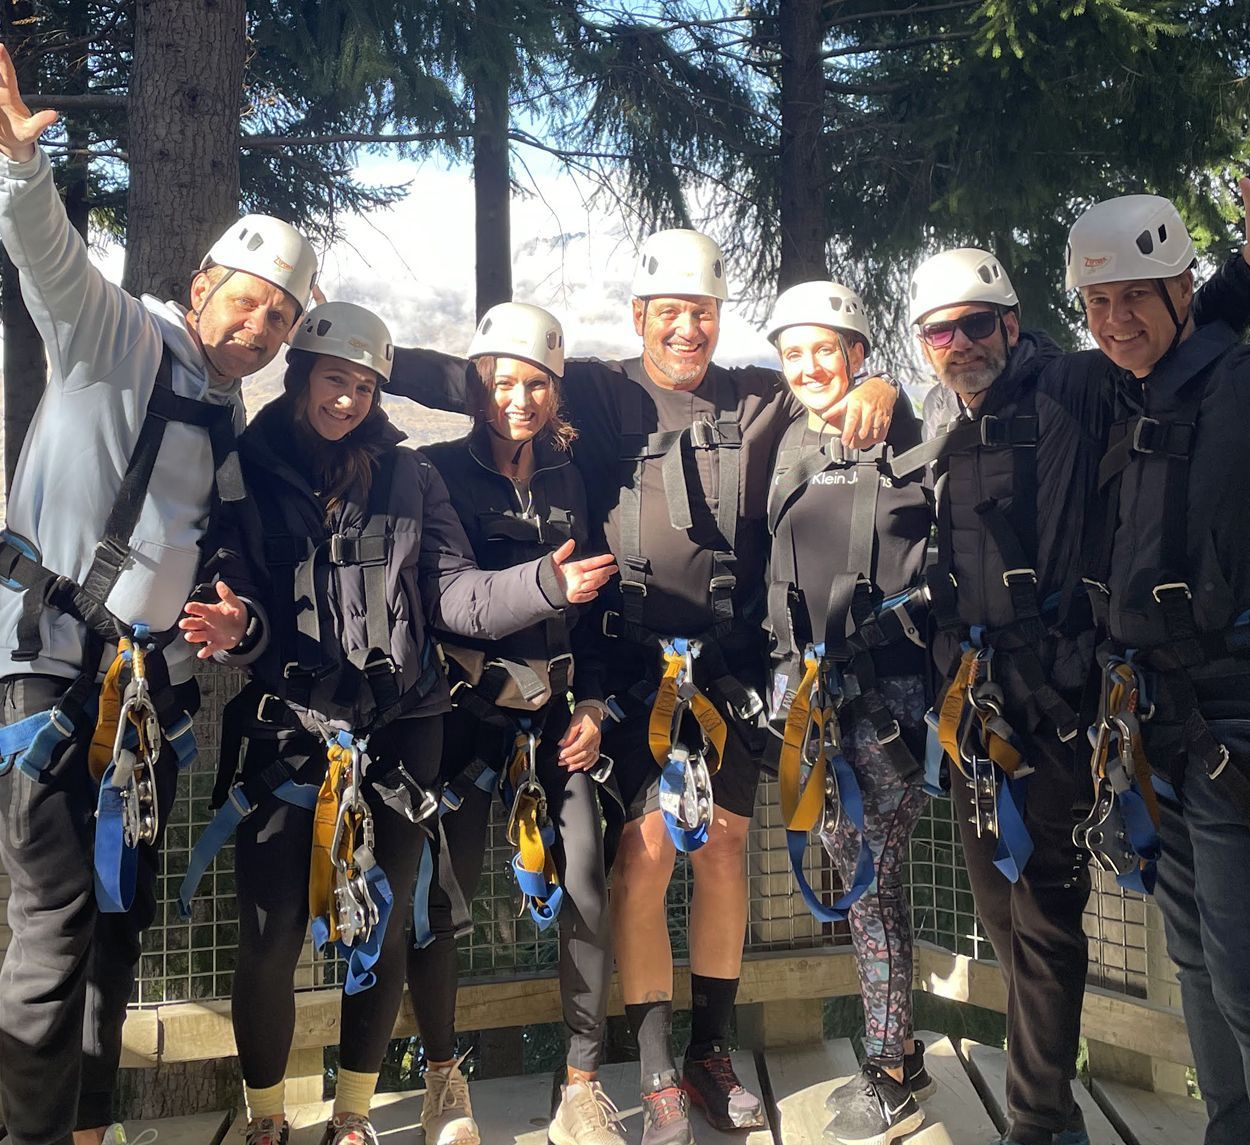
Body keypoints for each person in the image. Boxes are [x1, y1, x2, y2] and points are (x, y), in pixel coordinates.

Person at [383, 229, 900, 1145]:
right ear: (641, 317)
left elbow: (829, 386)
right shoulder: (597, 385)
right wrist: (364, 360)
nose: (687, 329)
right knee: (647, 851)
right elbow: (486, 379)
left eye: (701, 313)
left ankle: (711, 1049)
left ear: (717, 316)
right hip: (629, 668)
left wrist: (879, 386)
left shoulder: (750, 391)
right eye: (671, 313)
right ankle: (653, 1063)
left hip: (727, 662)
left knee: (725, 847)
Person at [912, 180, 1250, 1145]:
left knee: (1232, 977)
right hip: (1110, 712)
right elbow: (1160, 342)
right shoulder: (939, 421)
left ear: (1012, 324)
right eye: (938, 332)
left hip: (1145, 704)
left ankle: (1042, 1124)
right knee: (1187, 963)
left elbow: (1188, 344)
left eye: (976, 323)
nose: (958, 344)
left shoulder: (1081, 384)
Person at [179, 301, 617, 1145]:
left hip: (402, 729)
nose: (347, 400)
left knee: (380, 927)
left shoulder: (407, 476)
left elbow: (453, 594)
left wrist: (543, 586)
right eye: (333, 380)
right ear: (300, 375)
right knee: (270, 937)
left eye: (364, 385)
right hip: (289, 726)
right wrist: (238, 627)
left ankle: (350, 1114)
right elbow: (236, 580)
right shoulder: (246, 467)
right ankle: (267, 1117)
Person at [0, 43, 320, 1145]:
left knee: (118, 921)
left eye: (281, 318)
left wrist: (238, 619)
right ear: (201, 289)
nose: (262, 329)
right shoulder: (114, 333)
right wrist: (16, 169)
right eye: (249, 304)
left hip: (147, 695)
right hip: (46, 665)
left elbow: (219, 554)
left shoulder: (229, 417)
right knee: (51, 916)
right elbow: (47, 257)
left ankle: (89, 1127)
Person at [1066, 192, 1250, 1145]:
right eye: (1096, 306)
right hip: (1157, 718)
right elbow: (1191, 329)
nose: (1112, 323)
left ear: (1182, 286)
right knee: (1195, 963)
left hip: (1238, 723)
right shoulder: (1133, 388)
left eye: (1133, 297)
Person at [403, 302, 623, 1145]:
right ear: (474, 385)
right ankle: (442, 1083)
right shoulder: (432, 474)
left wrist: (598, 706)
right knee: (443, 898)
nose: (517, 399)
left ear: (555, 391)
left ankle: (579, 1085)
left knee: (588, 887)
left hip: (557, 719)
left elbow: (605, 614)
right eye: (500, 382)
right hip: (463, 717)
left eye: (534, 384)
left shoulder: (574, 481)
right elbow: (441, 598)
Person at [761, 281, 935, 1145]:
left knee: (871, 891)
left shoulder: (898, 421)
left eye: (825, 350)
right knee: (870, 886)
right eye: (793, 355)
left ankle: (891, 1076)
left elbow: (943, 405)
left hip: (889, 701)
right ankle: (896, 1051)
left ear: (859, 353)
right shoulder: (791, 435)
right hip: (820, 701)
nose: (809, 368)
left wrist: (891, 389)